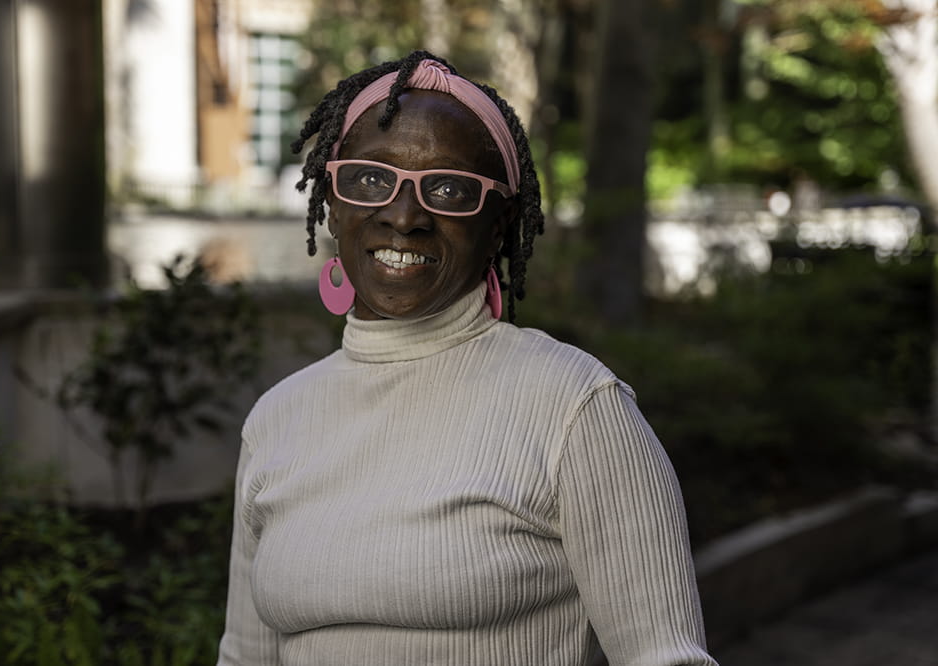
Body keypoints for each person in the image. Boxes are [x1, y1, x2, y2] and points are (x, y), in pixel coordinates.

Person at [218, 50, 718, 666]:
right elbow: (243, 657)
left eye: (449, 189)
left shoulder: (575, 406)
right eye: (371, 179)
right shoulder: (277, 419)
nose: (404, 218)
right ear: (332, 198)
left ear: (499, 222)